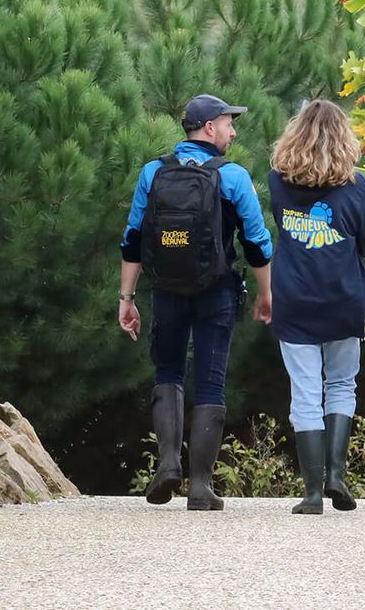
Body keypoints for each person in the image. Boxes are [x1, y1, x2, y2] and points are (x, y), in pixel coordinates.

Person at [118, 94, 273, 511]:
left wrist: (126, 298)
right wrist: (265, 292)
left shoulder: (153, 172)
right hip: (215, 292)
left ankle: (168, 464)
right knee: (210, 381)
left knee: (167, 371)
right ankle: (200, 487)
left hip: (167, 290)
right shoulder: (233, 177)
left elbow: (133, 238)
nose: (232, 132)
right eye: (228, 123)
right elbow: (257, 243)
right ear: (209, 128)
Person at [267, 100, 365, 515]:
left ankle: (312, 493)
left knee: (305, 392)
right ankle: (336, 475)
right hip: (343, 299)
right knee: (342, 384)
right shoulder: (357, 187)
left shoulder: (278, 182)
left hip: (295, 299)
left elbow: (280, 225)